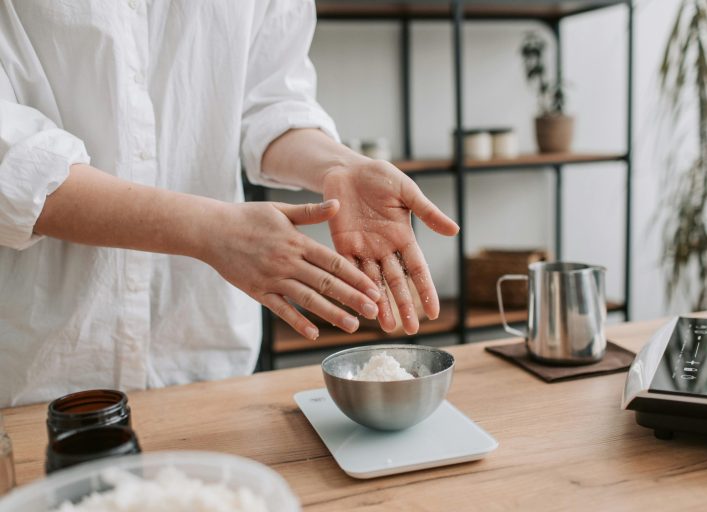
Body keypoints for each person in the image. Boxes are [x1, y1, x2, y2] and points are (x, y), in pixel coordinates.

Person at [0, 1, 459, 408]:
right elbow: (15, 161)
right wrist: (210, 231)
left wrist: (340, 166)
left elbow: (269, 102)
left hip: (207, 356)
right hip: (41, 368)